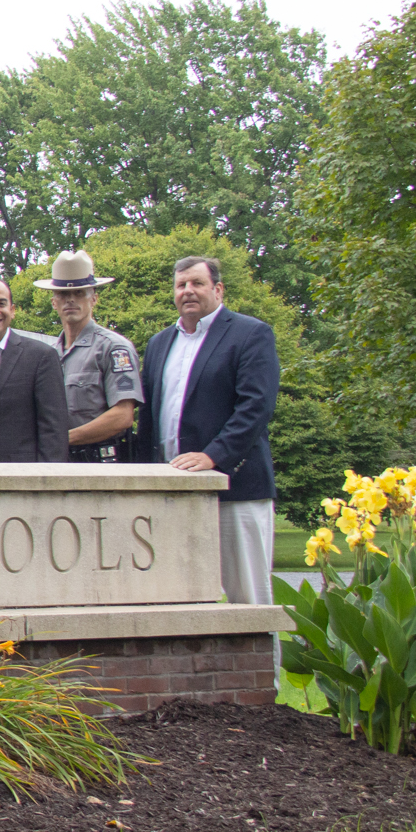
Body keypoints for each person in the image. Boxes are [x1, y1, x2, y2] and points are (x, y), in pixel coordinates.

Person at [134, 256, 280, 605]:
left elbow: (256, 406)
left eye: (197, 283)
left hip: (235, 491)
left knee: (249, 602)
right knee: (177, 601)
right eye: (181, 285)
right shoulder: (159, 344)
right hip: (173, 492)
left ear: (217, 288)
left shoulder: (250, 334)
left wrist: (213, 456)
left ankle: (261, 664)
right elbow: (149, 420)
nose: (188, 291)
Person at [37, 249, 144, 464]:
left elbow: (123, 416)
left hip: (101, 463)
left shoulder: (114, 348)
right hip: (60, 463)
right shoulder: (48, 354)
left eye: (79, 293)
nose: (71, 300)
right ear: (53, 302)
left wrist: (62, 440)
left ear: (94, 299)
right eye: (63, 294)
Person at [0, 277, 69, 463]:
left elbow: (54, 430)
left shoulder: (41, 356)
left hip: (23, 476)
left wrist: (49, 482)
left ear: (12, 311)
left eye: (1, 303)